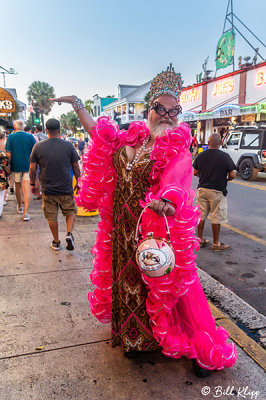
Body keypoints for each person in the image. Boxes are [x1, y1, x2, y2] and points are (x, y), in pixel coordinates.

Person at [51, 65, 237, 377]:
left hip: (153, 228)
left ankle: (198, 346)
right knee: (127, 281)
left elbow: (177, 177)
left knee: (173, 287)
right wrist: (78, 104)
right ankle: (133, 338)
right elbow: (98, 133)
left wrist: (169, 199)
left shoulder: (176, 148)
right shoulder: (130, 141)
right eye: (160, 109)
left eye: (174, 111)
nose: (167, 115)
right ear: (148, 109)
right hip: (123, 230)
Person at [29, 119, 81, 251]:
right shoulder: (68, 146)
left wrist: (32, 184)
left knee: (51, 216)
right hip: (65, 188)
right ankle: (69, 233)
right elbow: (76, 165)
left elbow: (32, 168)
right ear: (59, 131)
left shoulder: (38, 146)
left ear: (46, 130)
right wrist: (79, 181)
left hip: (48, 189)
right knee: (70, 211)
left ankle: (56, 242)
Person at [193, 133, 236, 250]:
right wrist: (227, 179)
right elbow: (232, 174)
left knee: (201, 215)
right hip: (217, 191)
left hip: (202, 189)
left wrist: (204, 177)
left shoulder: (201, 155)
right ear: (220, 143)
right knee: (216, 217)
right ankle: (216, 243)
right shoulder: (224, 156)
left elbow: (195, 172)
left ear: (208, 143)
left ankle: (200, 240)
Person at [5, 120, 36, 221]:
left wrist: (8, 165)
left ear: (15, 127)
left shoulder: (11, 137)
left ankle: (20, 206)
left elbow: (8, 154)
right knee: (27, 188)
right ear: (23, 127)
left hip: (16, 166)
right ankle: (26, 213)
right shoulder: (30, 136)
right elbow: (35, 151)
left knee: (17, 186)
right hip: (28, 166)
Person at [0, 131, 10, 219]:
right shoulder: (1, 153)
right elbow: (5, 165)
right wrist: (8, 173)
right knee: (0, 196)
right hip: (0, 176)